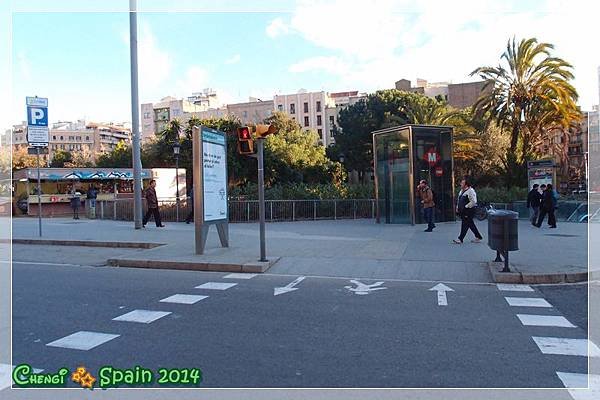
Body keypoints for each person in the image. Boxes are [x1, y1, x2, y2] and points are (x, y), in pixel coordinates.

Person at [453, 177, 483, 244]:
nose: (461, 184)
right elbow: (459, 200)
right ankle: (478, 236)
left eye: (462, 183)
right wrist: (458, 207)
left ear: (466, 185)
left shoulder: (471, 191)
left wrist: (466, 206)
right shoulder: (461, 191)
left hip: (469, 210)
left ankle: (460, 239)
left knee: (465, 223)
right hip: (463, 210)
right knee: (470, 223)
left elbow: (474, 201)